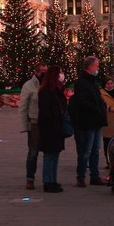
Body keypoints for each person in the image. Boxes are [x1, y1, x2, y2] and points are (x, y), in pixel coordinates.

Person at [68, 56, 108, 187]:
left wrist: (103, 107)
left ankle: (94, 176)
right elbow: (82, 101)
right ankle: (81, 176)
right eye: (96, 66)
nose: (98, 69)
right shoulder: (81, 82)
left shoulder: (93, 82)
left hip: (97, 121)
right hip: (88, 121)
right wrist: (96, 108)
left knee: (96, 149)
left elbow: (98, 98)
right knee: (86, 150)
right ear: (90, 67)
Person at [38, 65, 68, 193]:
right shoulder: (46, 91)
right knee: (49, 156)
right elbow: (45, 111)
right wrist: (52, 123)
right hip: (50, 129)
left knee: (55, 155)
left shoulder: (56, 89)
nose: (61, 76)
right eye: (59, 73)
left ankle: (53, 180)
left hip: (56, 128)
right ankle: (48, 182)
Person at [19, 63, 47, 190]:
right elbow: (23, 107)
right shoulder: (29, 85)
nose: (44, 74)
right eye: (42, 72)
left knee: (49, 152)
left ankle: (48, 178)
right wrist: (24, 126)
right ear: (36, 72)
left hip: (47, 122)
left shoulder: (48, 84)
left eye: (46, 71)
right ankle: (30, 178)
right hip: (34, 122)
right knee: (33, 152)